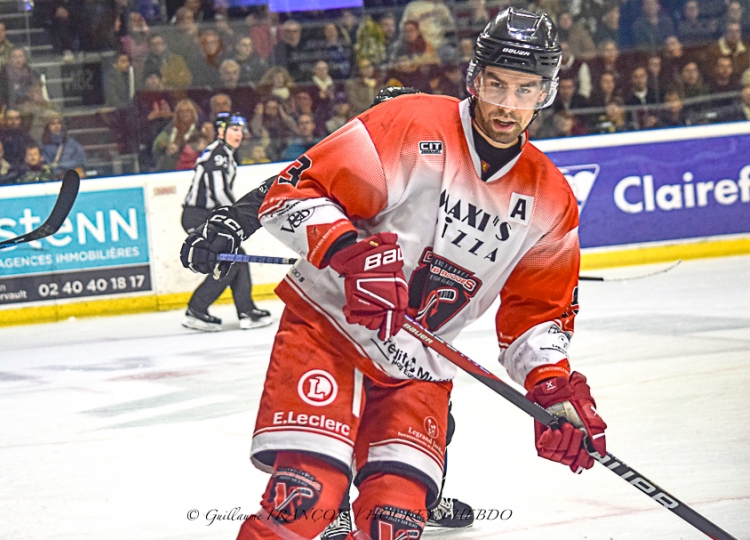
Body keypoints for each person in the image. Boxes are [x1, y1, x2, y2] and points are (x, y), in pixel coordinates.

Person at [180, 8, 608, 540]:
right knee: (308, 499)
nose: (506, 104)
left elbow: (537, 317)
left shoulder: (551, 199)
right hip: (332, 331)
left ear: (546, 93)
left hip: (418, 364)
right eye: (496, 84)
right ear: (474, 79)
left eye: (525, 89)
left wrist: (552, 388)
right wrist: (348, 253)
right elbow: (296, 191)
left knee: (393, 524)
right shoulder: (413, 122)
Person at [180, 113, 273, 332]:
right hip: (198, 216)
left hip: (206, 215)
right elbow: (219, 191)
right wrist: (238, 219)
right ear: (221, 132)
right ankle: (198, 309)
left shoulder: (224, 153)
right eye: (233, 129)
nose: (238, 134)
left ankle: (245, 310)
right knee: (232, 258)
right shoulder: (219, 155)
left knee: (236, 257)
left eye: (240, 130)